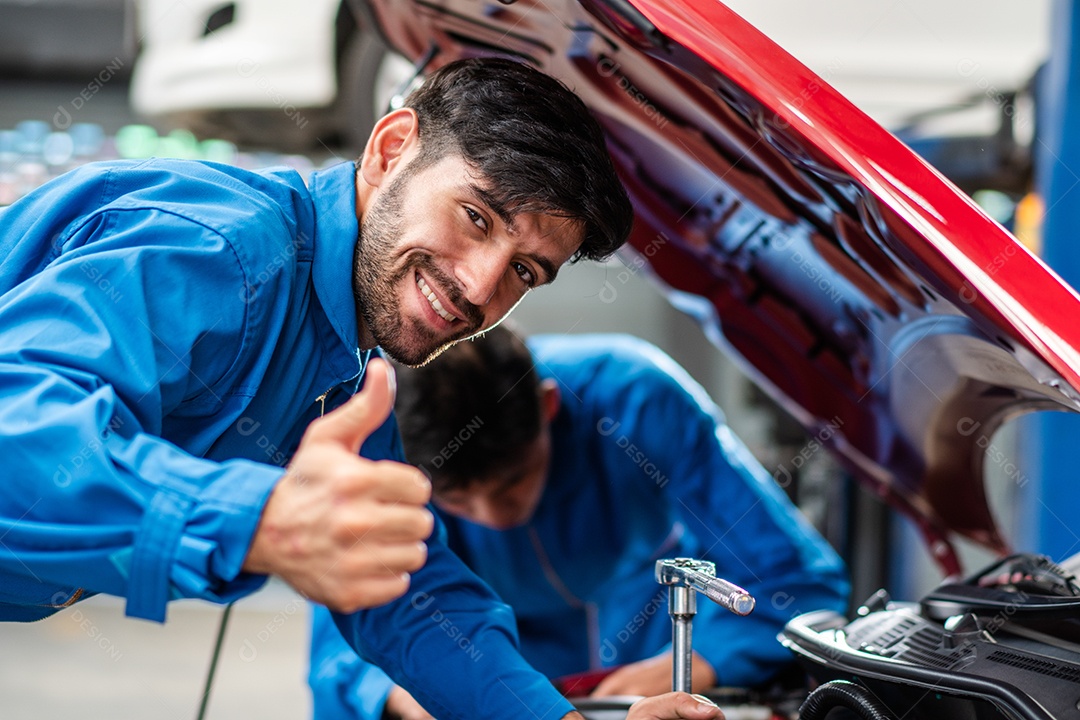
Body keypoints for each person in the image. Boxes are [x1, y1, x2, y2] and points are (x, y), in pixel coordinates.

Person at [0, 56, 718, 720]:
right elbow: (18, 436)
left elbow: (405, 591)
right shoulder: (225, 252)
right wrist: (258, 522)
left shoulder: (344, 357)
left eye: (525, 271)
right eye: (475, 217)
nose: (479, 286)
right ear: (390, 148)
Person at [308, 327, 850, 719]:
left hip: (644, 667)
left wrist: (702, 663)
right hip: (472, 665)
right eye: (458, 503)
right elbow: (347, 637)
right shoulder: (380, 452)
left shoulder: (636, 400)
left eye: (511, 485)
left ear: (548, 408)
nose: (494, 518)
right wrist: (413, 694)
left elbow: (792, 581)